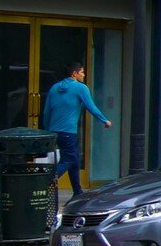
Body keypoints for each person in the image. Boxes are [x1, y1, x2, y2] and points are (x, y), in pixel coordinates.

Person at [42, 61, 111, 196]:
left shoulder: (54, 88)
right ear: (74, 74)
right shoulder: (81, 88)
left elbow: (46, 111)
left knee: (74, 161)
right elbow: (90, 106)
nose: (84, 75)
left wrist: (47, 129)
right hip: (69, 132)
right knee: (69, 159)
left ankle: (77, 192)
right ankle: (48, 179)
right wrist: (104, 120)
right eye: (82, 72)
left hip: (54, 131)